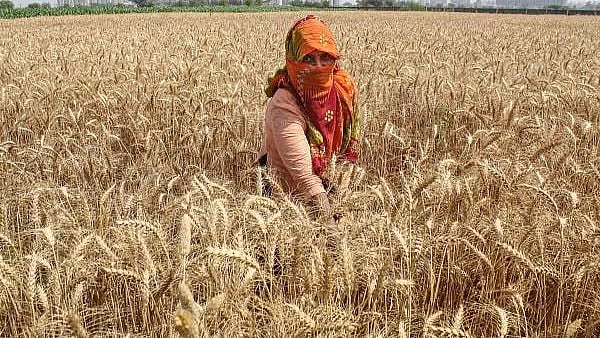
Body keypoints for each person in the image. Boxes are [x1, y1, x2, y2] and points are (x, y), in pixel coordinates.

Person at [257, 15, 360, 222]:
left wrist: (339, 201)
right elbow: (305, 178)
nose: (318, 66)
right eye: (308, 59)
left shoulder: (342, 90)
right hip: (284, 204)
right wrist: (335, 241)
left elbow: (345, 158)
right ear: (293, 61)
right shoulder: (284, 103)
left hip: (324, 196)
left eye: (325, 58)